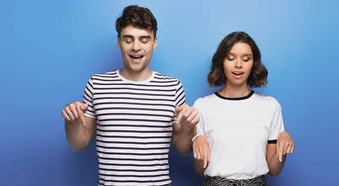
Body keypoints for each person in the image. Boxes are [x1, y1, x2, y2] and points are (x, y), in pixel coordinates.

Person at [61, 5, 199, 186]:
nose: (136, 47)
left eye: (144, 39)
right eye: (128, 39)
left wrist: (188, 127)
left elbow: (181, 148)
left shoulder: (172, 87)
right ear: (119, 43)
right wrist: (72, 122)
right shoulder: (97, 84)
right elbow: (79, 144)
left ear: (154, 43)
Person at [191, 31, 295, 186]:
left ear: (253, 63)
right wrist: (195, 139)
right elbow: (200, 169)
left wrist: (283, 145)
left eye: (246, 59)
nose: (238, 65)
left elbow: (274, 170)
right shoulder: (202, 106)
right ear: (222, 62)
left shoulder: (270, 106)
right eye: (231, 58)